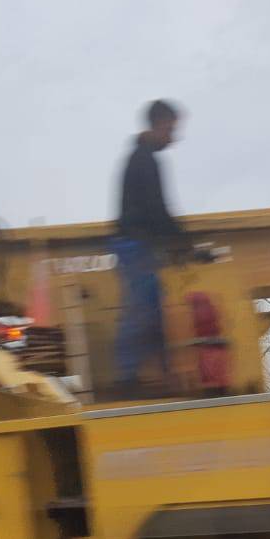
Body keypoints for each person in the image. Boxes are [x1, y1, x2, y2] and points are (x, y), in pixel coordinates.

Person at [111, 99, 197, 396]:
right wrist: (184, 242)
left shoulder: (139, 156)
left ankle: (159, 374)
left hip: (138, 243)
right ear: (159, 123)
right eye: (172, 129)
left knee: (153, 309)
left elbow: (157, 210)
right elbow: (157, 208)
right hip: (135, 244)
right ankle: (127, 377)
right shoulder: (145, 159)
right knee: (142, 308)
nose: (173, 137)